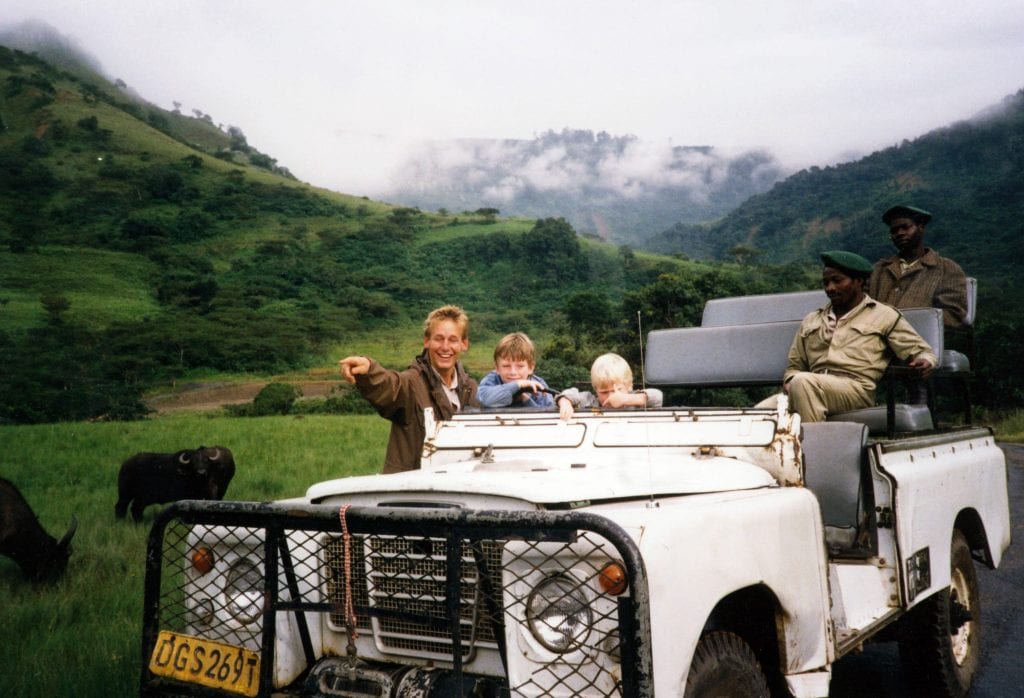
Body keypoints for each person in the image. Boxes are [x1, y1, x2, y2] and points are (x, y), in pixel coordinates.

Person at [780, 251, 937, 423]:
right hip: (809, 386)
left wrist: (925, 360)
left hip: (855, 389)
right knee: (757, 414)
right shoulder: (812, 319)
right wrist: (790, 381)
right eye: (826, 283)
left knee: (803, 383)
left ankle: (811, 449)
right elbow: (794, 367)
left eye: (837, 281)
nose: (830, 288)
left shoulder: (884, 315)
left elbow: (920, 350)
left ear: (858, 281)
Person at [339, 305, 480, 474]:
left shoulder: (471, 389)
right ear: (427, 341)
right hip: (412, 491)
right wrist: (369, 370)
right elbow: (390, 385)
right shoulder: (412, 384)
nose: (445, 346)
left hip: (457, 489)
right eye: (438, 338)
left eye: (452, 340)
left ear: (464, 344)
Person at [869, 205, 968, 329]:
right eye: (894, 231)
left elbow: (954, 315)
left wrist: (903, 322)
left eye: (905, 227)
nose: (899, 233)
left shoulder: (947, 268)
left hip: (921, 342)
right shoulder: (878, 270)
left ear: (921, 227)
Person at [556, 352, 663, 420]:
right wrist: (565, 402)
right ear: (596, 389)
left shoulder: (635, 402)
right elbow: (569, 394)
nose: (611, 396)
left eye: (618, 390)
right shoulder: (591, 402)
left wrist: (627, 399)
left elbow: (657, 396)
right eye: (604, 392)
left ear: (629, 385)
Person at [476, 332, 555, 409]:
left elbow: (547, 414)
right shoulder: (491, 380)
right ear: (497, 368)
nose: (513, 372)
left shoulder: (539, 385)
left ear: (531, 367)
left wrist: (524, 399)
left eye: (520, 366)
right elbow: (485, 399)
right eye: (506, 366)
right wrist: (517, 385)